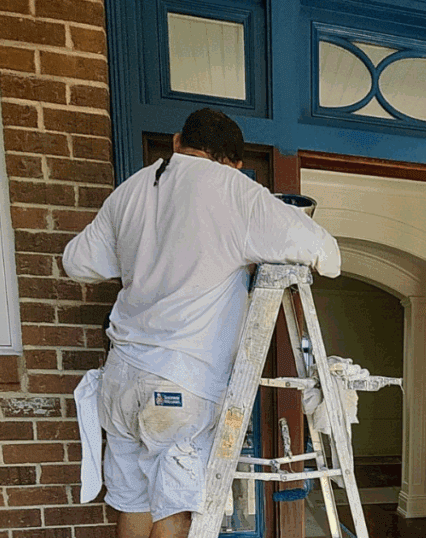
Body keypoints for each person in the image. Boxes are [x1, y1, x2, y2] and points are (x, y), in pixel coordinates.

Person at [63, 108, 341, 538]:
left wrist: (147, 251)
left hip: (121, 379)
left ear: (178, 142)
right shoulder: (235, 190)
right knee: (174, 508)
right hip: (180, 382)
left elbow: (78, 262)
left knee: (133, 501)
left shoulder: (132, 189)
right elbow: (325, 253)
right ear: (235, 163)